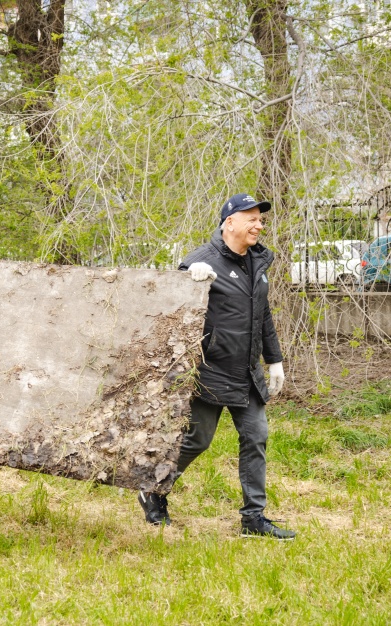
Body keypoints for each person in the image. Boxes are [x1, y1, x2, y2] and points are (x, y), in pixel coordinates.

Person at [137, 193, 296, 540]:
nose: (259, 225)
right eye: (251, 218)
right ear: (229, 223)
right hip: (210, 371)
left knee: (256, 437)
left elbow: (263, 315)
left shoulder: (258, 262)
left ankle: (253, 520)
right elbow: (168, 311)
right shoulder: (201, 262)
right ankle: (153, 490)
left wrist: (275, 360)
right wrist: (185, 280)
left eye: (261, 220)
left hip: (247, 372)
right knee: (197, 440)